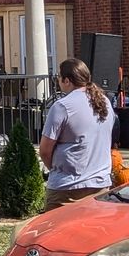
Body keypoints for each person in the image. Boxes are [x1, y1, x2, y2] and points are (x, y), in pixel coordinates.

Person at [37, 58, 116, 209]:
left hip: (66, 189)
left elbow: (45, 151)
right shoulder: (105, 102)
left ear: (67, 80)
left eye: (59, 77)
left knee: (56, 232)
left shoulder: (62, 106)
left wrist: (55, 169)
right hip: (100, 186)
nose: (58, 81)